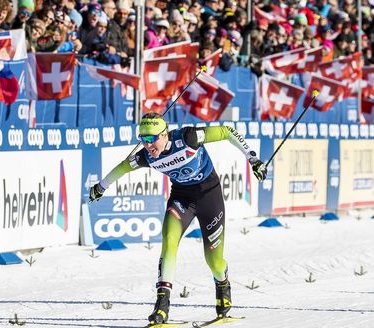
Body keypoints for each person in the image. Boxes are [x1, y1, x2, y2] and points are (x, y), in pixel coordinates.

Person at [88, 112, 267, 325]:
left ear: (164, 134)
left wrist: (253, 158)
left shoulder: (188, 138)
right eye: (142, 139)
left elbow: (227, 132)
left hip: (209, 196)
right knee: (169, 244)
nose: (147, 145)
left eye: (151, 138)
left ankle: (223, 289)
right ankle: (161, 308)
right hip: (181, 199)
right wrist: (101, 187)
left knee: (214, 261)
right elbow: (123, 167)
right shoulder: (146, 156)